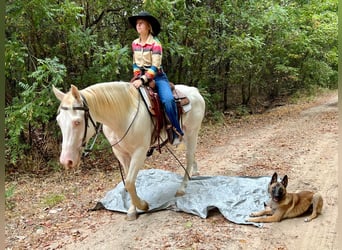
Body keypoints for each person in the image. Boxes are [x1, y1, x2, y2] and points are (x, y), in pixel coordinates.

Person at [128, 11, 184, 145]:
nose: (138, 26)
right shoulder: (135, 43)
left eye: (141, 23)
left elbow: (155, 66)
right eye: (137, 24)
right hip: (139, 76)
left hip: (157, 77)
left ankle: (175, 130)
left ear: (148, 26)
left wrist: (142, 80)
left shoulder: (155, 43)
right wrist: (137, 77)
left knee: (168, 100)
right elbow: (135, 63)